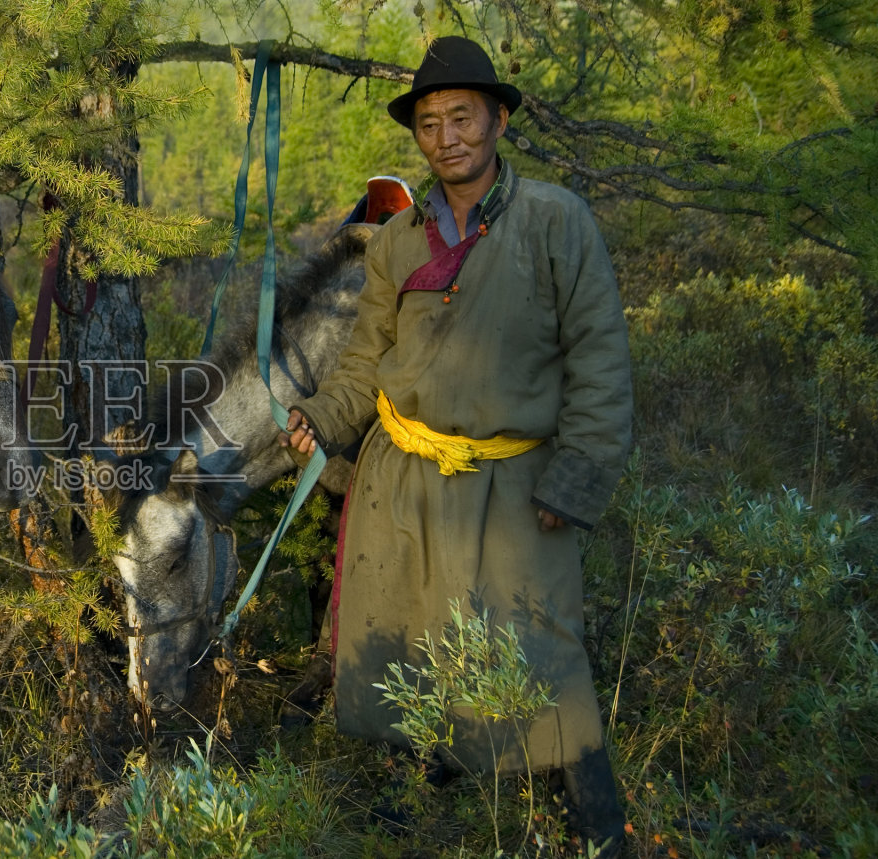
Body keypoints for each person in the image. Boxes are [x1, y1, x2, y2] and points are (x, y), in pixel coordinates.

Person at [281, 35, 632, 855]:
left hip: (514, 486)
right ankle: (412, 800)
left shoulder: (556, 221)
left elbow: (601, 359)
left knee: (542, 648)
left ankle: (599, 823)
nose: (447, 138)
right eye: (430, 123)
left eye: (462, 118)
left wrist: (577, 478)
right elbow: (366, 359)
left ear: (499, 119)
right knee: (408, 641)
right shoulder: (398, 241)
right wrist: (323, 417)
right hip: (401, 480)